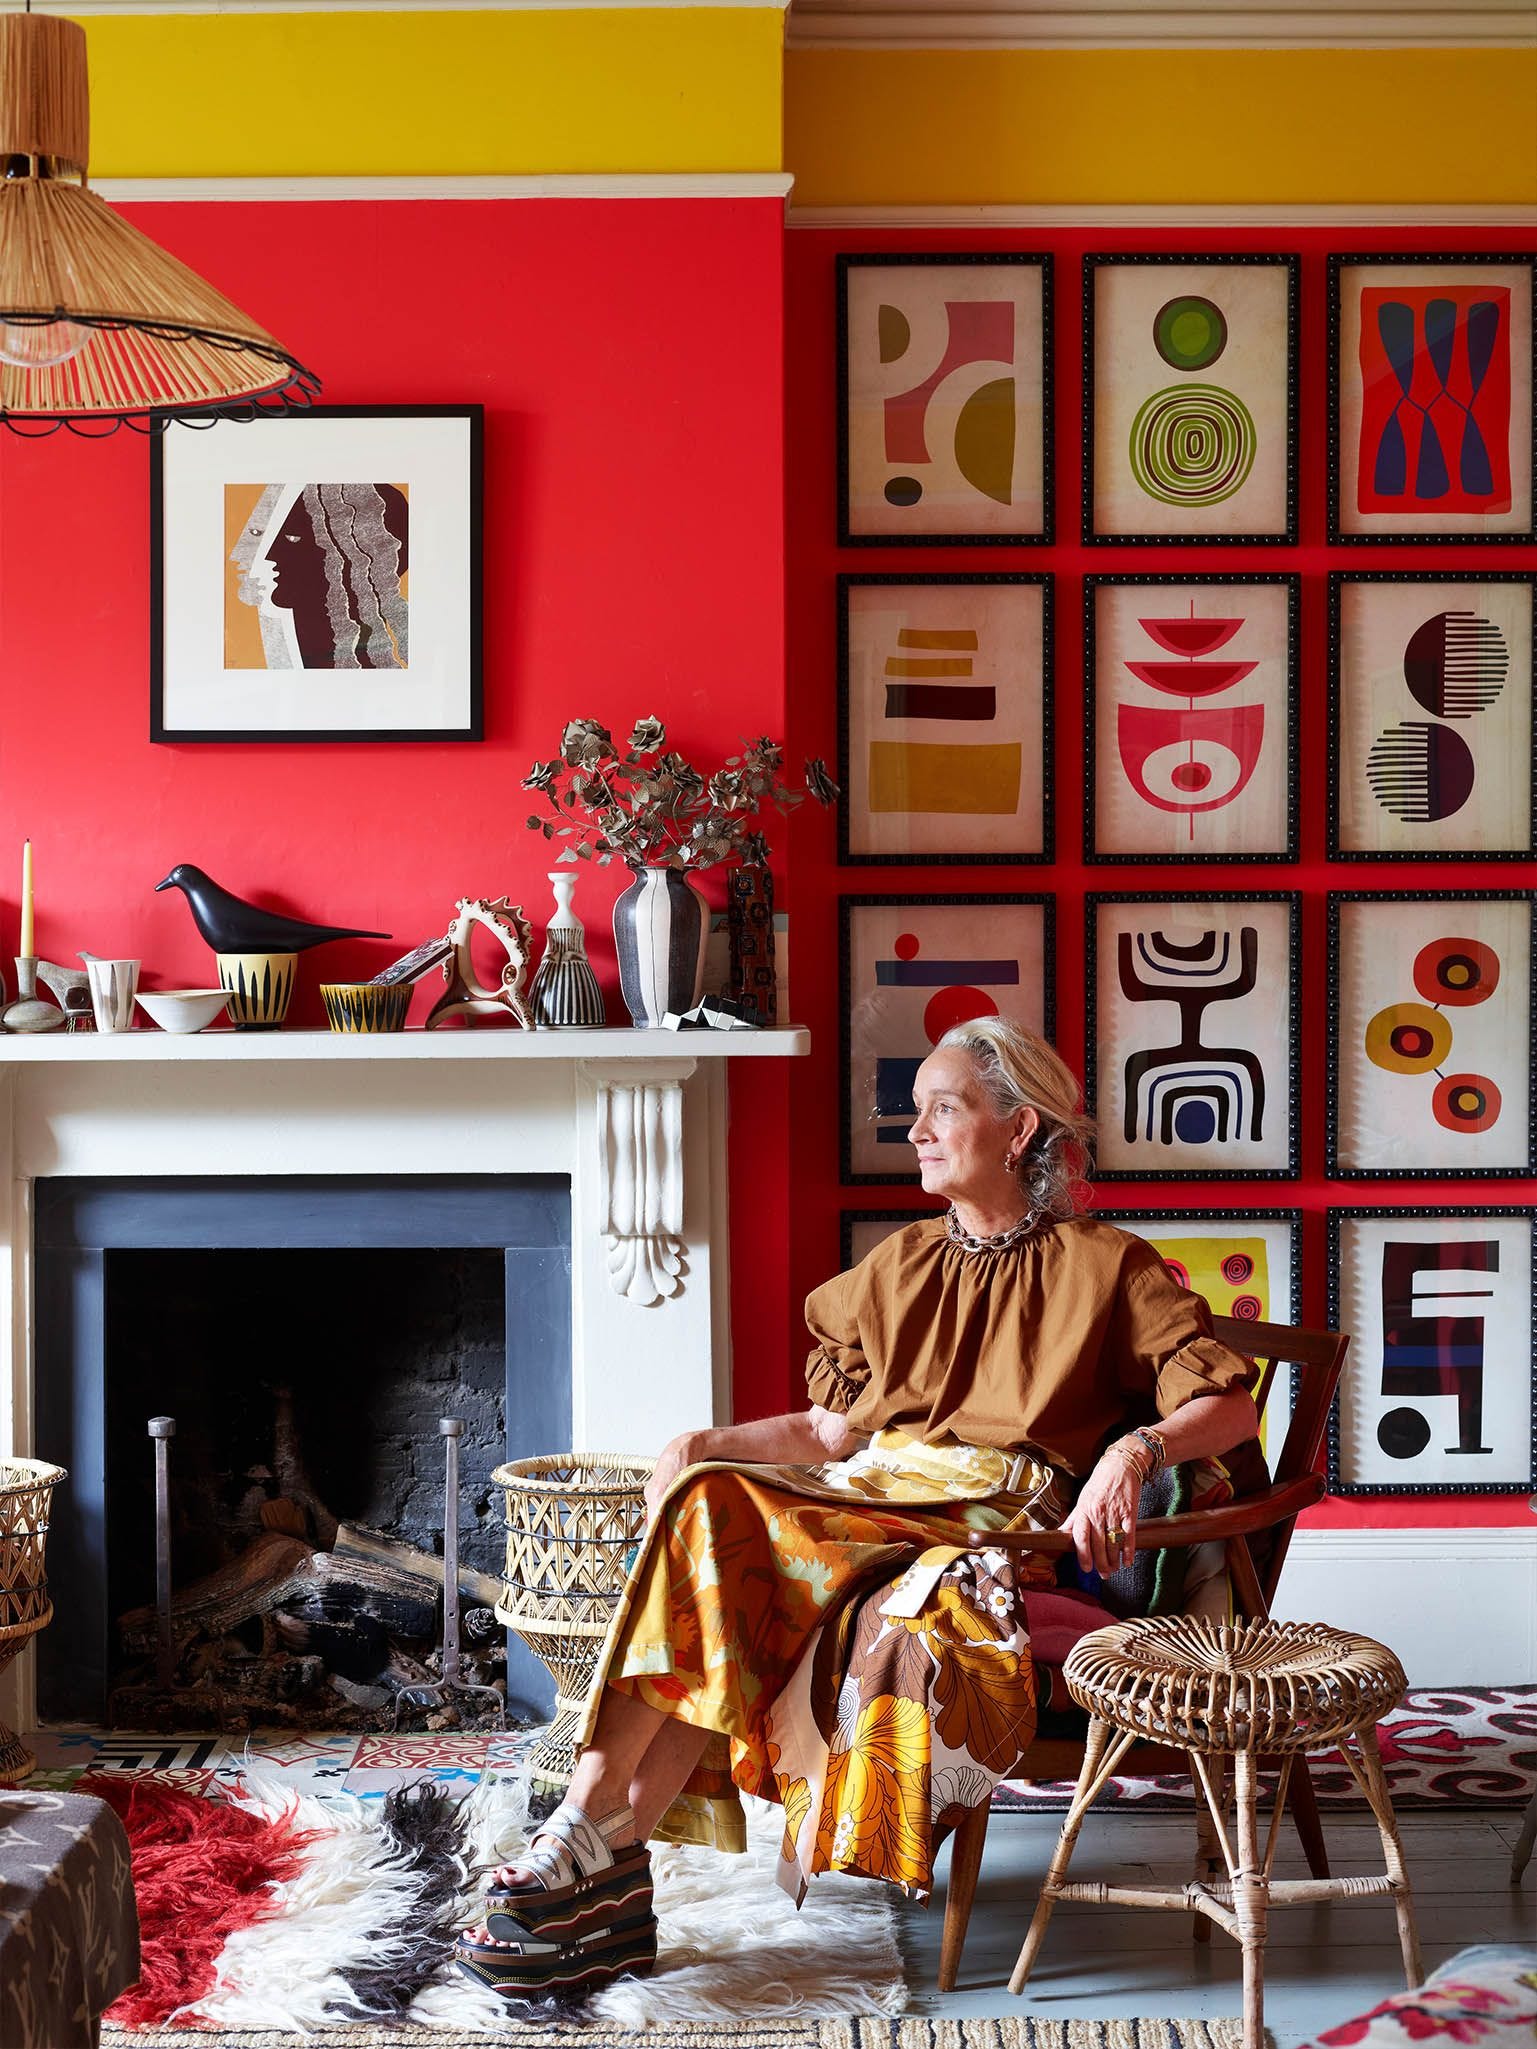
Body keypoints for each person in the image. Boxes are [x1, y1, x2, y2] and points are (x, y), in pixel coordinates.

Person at [454, 1016, 1262, 2000]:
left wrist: (1135, 1449)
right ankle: (597, 1836)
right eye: (915, 1110)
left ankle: (591, 1842)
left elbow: (1229, 1405)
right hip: (870, 1498)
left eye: (943, 1109)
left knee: (719, 1529)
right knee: (709, 1505)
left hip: (989, 1516)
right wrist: (707, 1441)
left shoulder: (1107, 1265)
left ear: (1017, 1130)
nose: (915, 1131)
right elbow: (826, 1431)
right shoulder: (901, 1262)